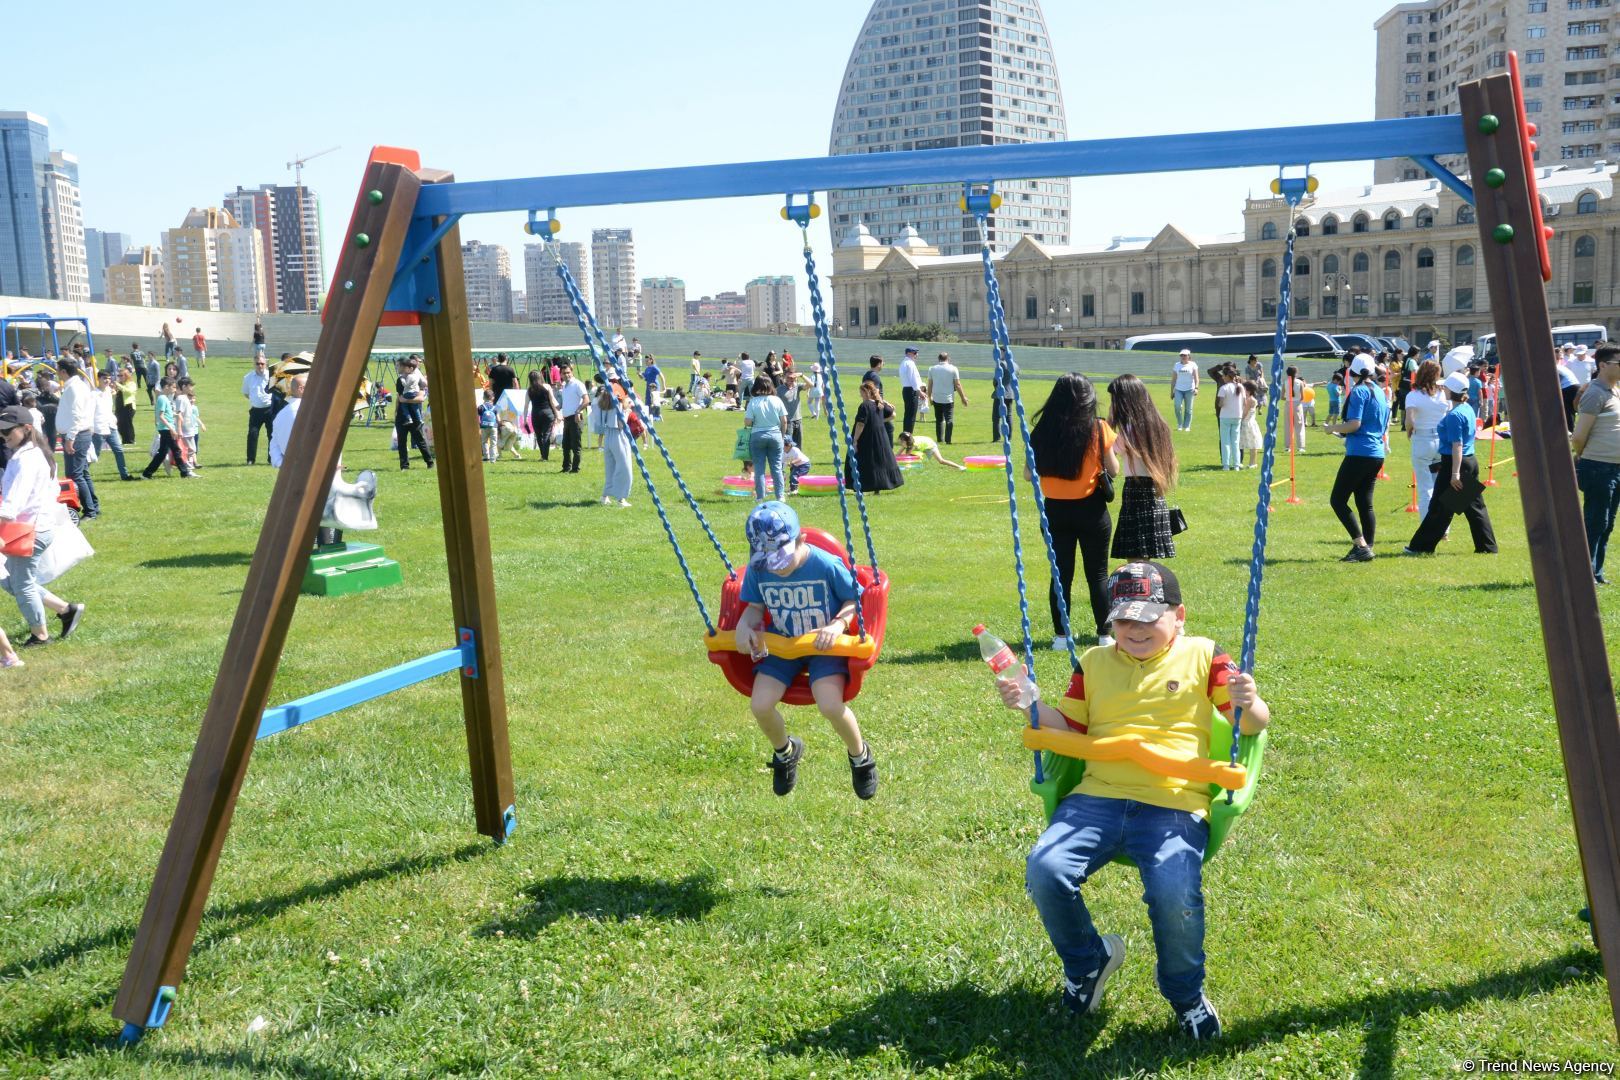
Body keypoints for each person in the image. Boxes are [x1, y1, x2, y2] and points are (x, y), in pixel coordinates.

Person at [1000, 561, 1269, 1041]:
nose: (1134, 630)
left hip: (1175, 801)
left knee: (1173, 893)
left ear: (1178, 615)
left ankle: (1185, 994)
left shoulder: (1204, 655)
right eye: (1123, 620)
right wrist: (1027, 702)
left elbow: (1248, 726)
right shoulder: (1094, 663)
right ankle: (1088, 963)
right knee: (1045, 869)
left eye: (1147, 618)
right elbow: (1068, 728)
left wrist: (1250, 703)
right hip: (1097, 795)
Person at [733, 500, 878, 800]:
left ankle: (860, 757)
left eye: (781, 558)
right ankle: (785, 752)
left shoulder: (825, 565)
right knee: (760, 705)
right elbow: (755, 607)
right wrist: (744, 625)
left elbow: (854, 600)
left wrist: (837, 625)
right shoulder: (760, 569)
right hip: (782, 643)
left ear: (801, 540)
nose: (776, 567)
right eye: (768, 561)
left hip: (823, 645)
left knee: (830, 705)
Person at [1030, 374, 1118, 650]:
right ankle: (1104, 634)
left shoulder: (1041, 430)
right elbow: (1114, 469)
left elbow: (1028, 474)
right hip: (1092, 510)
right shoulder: (1099, 428)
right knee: (1098, 574)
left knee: (1060, 575)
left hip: (1054, 511)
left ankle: (1060, 636)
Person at [0, 405, 87, 649]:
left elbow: (14, 501)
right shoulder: (35, 453)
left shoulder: (26, 459)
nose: (4, 435)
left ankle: (40, 635)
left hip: (28, 530)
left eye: (8, 430)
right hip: (31, 526)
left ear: (27, 428)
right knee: (11, 581)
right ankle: (66, 610)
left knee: (21, 585)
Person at [1405, 372, 1497, 555]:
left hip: (1455, 464)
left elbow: (1457, 445)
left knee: (1439, 507)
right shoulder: (1467, 408)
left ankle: (1420, 547)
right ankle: (1488, 547)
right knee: (1474, 507)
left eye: (1445, 387)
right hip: (1469, 461)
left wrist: (1455, 474)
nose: (1442, 388)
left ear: (1451, 391)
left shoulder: (1455, 415)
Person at [1323, 353, 1390, 562]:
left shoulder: (1359, 391)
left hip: (1360, 452)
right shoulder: (1379, 391)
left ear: (1353, 372)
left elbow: (1354, 424)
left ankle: (1360, 545)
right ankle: (1368, 547)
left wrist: (1332, 428)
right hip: (1376, 453)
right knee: (1364, 502)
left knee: (1338, 500)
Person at [1106, 373, 1177, 561]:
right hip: (1155, 491)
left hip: (1135, 490)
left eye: (1114, 400)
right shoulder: (1158, 425)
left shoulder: (1129, 430)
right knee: (1145, 558)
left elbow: (1107, 456)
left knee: (1135, 559)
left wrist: (1108, 424)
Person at [1574, 342, 1620, 583]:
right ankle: (1584, 573)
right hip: (1598, 467)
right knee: (1595, 522)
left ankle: (1596, 572)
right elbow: (1579, 436)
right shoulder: (1595, 393)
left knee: (1607, 522)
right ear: (1603, 365)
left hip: (1614, 467)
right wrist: (1583, 456)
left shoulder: (1615, 391)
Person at [1403, 359, 1449, 521]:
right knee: (1440, 487)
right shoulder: (1442, 393)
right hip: (1441, 441)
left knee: (1425, 489)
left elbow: (1409, 420)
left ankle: (1427, 527)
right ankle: (1443, 527)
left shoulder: (1413, 395)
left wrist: (1409, 432)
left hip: (1423, 440)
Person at [55, 358, 99, 520]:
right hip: (78, 434)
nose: (56, 372)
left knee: (75, 474)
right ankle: (93, 507)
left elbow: (77, 415)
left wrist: (70, 437)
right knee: (82, 473)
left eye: (58, 369)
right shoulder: (76, 386)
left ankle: (90, 511)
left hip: (76, 435)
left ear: (64, 371)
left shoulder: (74, 388)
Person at [846, 380, 905, 495]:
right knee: (878, 461)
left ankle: (860, 486)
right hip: (880, 438)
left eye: (861, 392)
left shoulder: (865, 405)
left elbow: (860, 424)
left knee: (862, 460)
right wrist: (879, 421)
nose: (860, 395)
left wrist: (855, 440)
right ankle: (877, 488)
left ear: (866, 392)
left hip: (866, 437)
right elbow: (893, 414)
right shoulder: (880, 404)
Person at [744, 375, 789, 502]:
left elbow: (747, 422)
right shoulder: (777, 400)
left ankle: (760, 496)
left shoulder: (753, 401)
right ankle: (780, 496)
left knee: (759, 469)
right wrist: (782, 436)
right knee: (776, 468)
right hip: (775, 435)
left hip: (758, 435)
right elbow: (784, 421)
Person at [593, 375, 633, 507]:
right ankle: (621, 499)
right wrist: (627, 410)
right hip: (618, 434)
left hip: (608, 434)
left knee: (610, 467)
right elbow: (621, 424)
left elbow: (599, 419)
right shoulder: (620, 399)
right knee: (624, 467)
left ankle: (605, 496)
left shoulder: (604, 397)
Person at [92, 371, 134, 481]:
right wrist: (91, 427)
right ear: (98, 379)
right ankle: (81, 473)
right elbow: (89, 412)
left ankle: (125, 475)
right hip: (98, 428)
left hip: (111, 426)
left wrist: (114, 419)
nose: (107, 380)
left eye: (109, 378)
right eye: (104, 378)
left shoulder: (109, 391)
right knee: (95, 454)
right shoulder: (93, 394)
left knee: (119, 450)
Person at [394, 357, 434, 470]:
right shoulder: (400, 380)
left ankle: (430, 463)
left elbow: (420, 398)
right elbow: (399, 398)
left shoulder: (417, 380)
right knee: (402, 442)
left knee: (420, 441)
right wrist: (396, 411)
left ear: (406, 367)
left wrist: (406, 400)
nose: (397, 368)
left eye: (399, 365)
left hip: (415, 417)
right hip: (402, 416)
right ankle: (404, 466)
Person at [927, 351, 968, 445]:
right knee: (949, 420)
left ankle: (939, 439)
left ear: (938, 359)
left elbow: (930, 384)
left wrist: (930, 397)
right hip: (948, 399)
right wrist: (963, 397)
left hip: (937, 398)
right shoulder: (953, 369)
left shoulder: (932, 369)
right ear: (948, 359)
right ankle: (948, 440)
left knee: (939, 420)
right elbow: (957, 384)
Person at [555, 363, 587, 474]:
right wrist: (559, 406)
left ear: (572, 372)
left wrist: (578, 411)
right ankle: (566, 467)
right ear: (561, 375)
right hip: (567, 418)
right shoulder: (565, 386)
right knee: (566, 445)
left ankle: (575, 468)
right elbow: (567, 401)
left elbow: (586, 400)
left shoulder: (578, 384)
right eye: (564, 373)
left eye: (568, 372)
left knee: (575, 445)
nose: (567, 375)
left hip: (576, 418)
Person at [243, 354, 274, 464]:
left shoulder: (271, 376)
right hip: (256, 410)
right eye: (257, 363)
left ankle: (271, 458)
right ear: (254, 364)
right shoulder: (248, 377)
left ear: (265, 364)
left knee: (272, 434)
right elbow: (246, 393)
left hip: (270, 409)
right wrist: (256, 400)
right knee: (252, 434)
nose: (260, 366)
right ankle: (250, 459)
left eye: (262, 363)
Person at [268, 373, 304, 469]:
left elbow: (274, 444)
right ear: (301, 389)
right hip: (306, 466)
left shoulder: (280, 414)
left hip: (288, 467)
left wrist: (281, 463)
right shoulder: (308, 412)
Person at [526, 369, 559, 462]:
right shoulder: (547, 386)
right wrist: (557, 414)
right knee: (546, 434)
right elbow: (552, 401)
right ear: (540, 377)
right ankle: (545, 456)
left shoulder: (529, 390)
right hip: (547, 413)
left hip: (535, 414)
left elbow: (526, 406)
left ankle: (542, 455)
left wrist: (524, 419)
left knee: (538, 435)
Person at [1215, 369, 1245, 471]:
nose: (1223, 378)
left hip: (1226, 416)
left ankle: (1226, 465)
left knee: (1225, 441)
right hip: (1237, 416)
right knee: (1235, 441)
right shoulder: (1240, 387)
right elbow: (1244, 401)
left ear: (1227, 376)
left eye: (1224, 376)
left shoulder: (1224, 388)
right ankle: (1236, 465)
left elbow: (1221, 403)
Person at [896, 429, 966, 470]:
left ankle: (960, 467)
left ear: (905, 441)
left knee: (941, 461)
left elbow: (906, 457)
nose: (899, 441)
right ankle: (919, 457)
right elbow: (898, 454)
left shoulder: (913, 445)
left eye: (901, 440)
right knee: (911, 455)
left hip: (930, 445)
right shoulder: (908, 442)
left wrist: (903, 464)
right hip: (923, 444)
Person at [1170, 349, 1199, 431]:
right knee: (1177, 406)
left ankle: (1186, 426)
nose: (1183, 357)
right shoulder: (1177, 365)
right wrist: (1172, 391)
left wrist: (1196, 388)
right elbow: (1173, 379)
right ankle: (1180, 424)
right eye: (1181, 355)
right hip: (1178, 389)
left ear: (1189, 356)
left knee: (1188, 409)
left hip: (1190, 389)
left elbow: (1196, 378)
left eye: (1185, 355)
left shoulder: (1193, 364)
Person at [1237, 378, 1263, 470]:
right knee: (1253, 444)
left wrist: (1239, 420)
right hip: (1251, 423)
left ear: (1248, 390)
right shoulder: (1252, 399)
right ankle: (1252, 463)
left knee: (1252, 444)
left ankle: (1251, 463)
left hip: (1247, 424)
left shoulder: (1250, 400)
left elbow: (1244, 413)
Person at [898, 346, 923, 436]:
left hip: (906, 389)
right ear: (909, 353)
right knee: (911, 415)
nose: (917, 355)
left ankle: (905, 435)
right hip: (911, 390)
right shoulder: (910, 363)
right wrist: (919, 391)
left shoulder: (903, 362)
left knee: (908, 414)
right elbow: (913, 379)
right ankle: (909, 436)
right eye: (915, 353)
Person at [114, 365, 139, 448]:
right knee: (119, 423)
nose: (119, 377)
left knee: (127, 424)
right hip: (119, 407)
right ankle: (124, 440)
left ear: (126, 376)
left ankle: (130, 440)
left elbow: (129, 391)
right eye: (118, 375)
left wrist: (119, 385)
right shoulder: (120, 384)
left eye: (121, 375)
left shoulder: (131, 384)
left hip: (129, 406)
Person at [478, 389, 499, 462]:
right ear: (492, 398)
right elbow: (498, 419)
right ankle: (493, 459)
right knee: (493, 443)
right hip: (493, 427)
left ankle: (486, 456)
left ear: (483, 397)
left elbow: (477, 418)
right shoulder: (495, 408)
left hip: (484, 427)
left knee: (484, 441)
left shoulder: (480, 407)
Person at [641, 357, 665, 422]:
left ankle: (656, 416)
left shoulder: (654, 367)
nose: (646, 362)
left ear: (651, 360)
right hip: (648, 386)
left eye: (647, 360)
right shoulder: (647, 369)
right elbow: (644, 378)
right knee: (648, 400)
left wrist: (664, 386)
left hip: (654, 387)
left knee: (654, 401)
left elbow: (661, 376)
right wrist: (639, 374)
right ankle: (648, 415)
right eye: (645, 360)